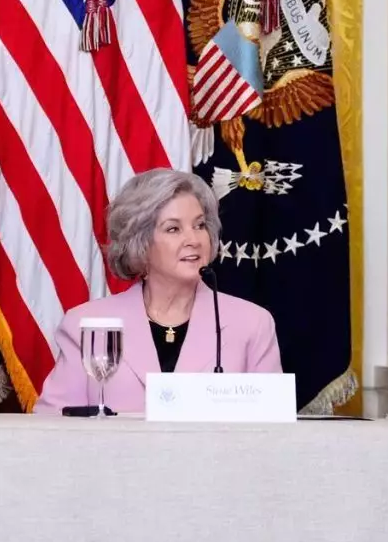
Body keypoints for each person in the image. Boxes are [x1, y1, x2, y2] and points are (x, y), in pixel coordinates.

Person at [33, 168, 283, 414]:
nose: (194, 240)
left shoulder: (252, 323)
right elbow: (53, 423)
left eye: (199, 225)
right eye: (173, 229)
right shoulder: (86, 324)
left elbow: (272, 428)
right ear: (140, 243)